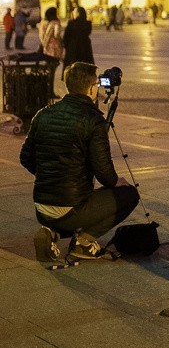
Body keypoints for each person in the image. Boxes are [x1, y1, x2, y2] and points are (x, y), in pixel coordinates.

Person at [20, 61, 139, 263]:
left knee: (73, 205)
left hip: (41, 207)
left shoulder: (43, 114)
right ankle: (84, 242)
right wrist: (117, 181)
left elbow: (25, 158)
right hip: (70, 209)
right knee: (129, 194)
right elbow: (103, 172)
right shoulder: (93, 120)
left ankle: (51, 233)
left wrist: (49, 175)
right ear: (91, 88)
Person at [38, 6, 64, 96]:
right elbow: (57, 34)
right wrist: (61, 41)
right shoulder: (55, 23)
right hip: (54, 50)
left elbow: (43, 36)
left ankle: (46, 90)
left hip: (47, 49)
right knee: (52, 71)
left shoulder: (44, 23)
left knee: (48, 70)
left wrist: (44, 45)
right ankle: (50, 91)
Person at [63, 6, 94, 71]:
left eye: (74, 11)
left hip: (73, 48)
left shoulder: (71, 23)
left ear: (78, 13)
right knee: (85, 68)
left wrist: (66, 45)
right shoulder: (87, 23)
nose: (73, 13)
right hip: (85, 49)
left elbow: (66, 36)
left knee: (73, 68)